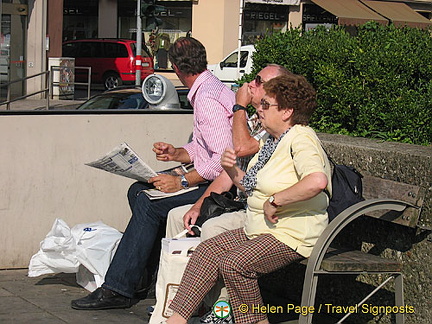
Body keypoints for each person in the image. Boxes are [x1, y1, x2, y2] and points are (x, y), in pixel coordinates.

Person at [71, 37, 235, 310]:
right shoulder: (211, 89)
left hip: (222, 187)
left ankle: (119, 288)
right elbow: (207, 147)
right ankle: (146, 272)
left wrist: (180, 180)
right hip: (213, 174)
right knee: (139, 189)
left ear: (175, 67)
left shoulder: (206, 98)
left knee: (147, 203)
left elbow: (221, 163)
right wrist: (177, 153)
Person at [165, 74, 332, 324]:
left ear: (287, 111)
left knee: (235, 265)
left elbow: (317, 181)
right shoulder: (271, 140)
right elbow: (252, 186)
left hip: (292, 233)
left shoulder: (301, 138)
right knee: (207, 252)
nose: (260, 110)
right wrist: (231, 170)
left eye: (266, 105)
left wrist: (276, 200)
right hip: (261, 228)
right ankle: (174, 321)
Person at [166, 64, 293, 240]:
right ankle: (172, 267)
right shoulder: (255, 122)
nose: (250, 84)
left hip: (256, 208)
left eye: (258, 81)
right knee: (177, 217)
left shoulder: (276, 128)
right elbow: (227, 174)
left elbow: (241, 148)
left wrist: (239, 105)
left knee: (210, 227)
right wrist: (198, 206)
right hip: (238, 201)